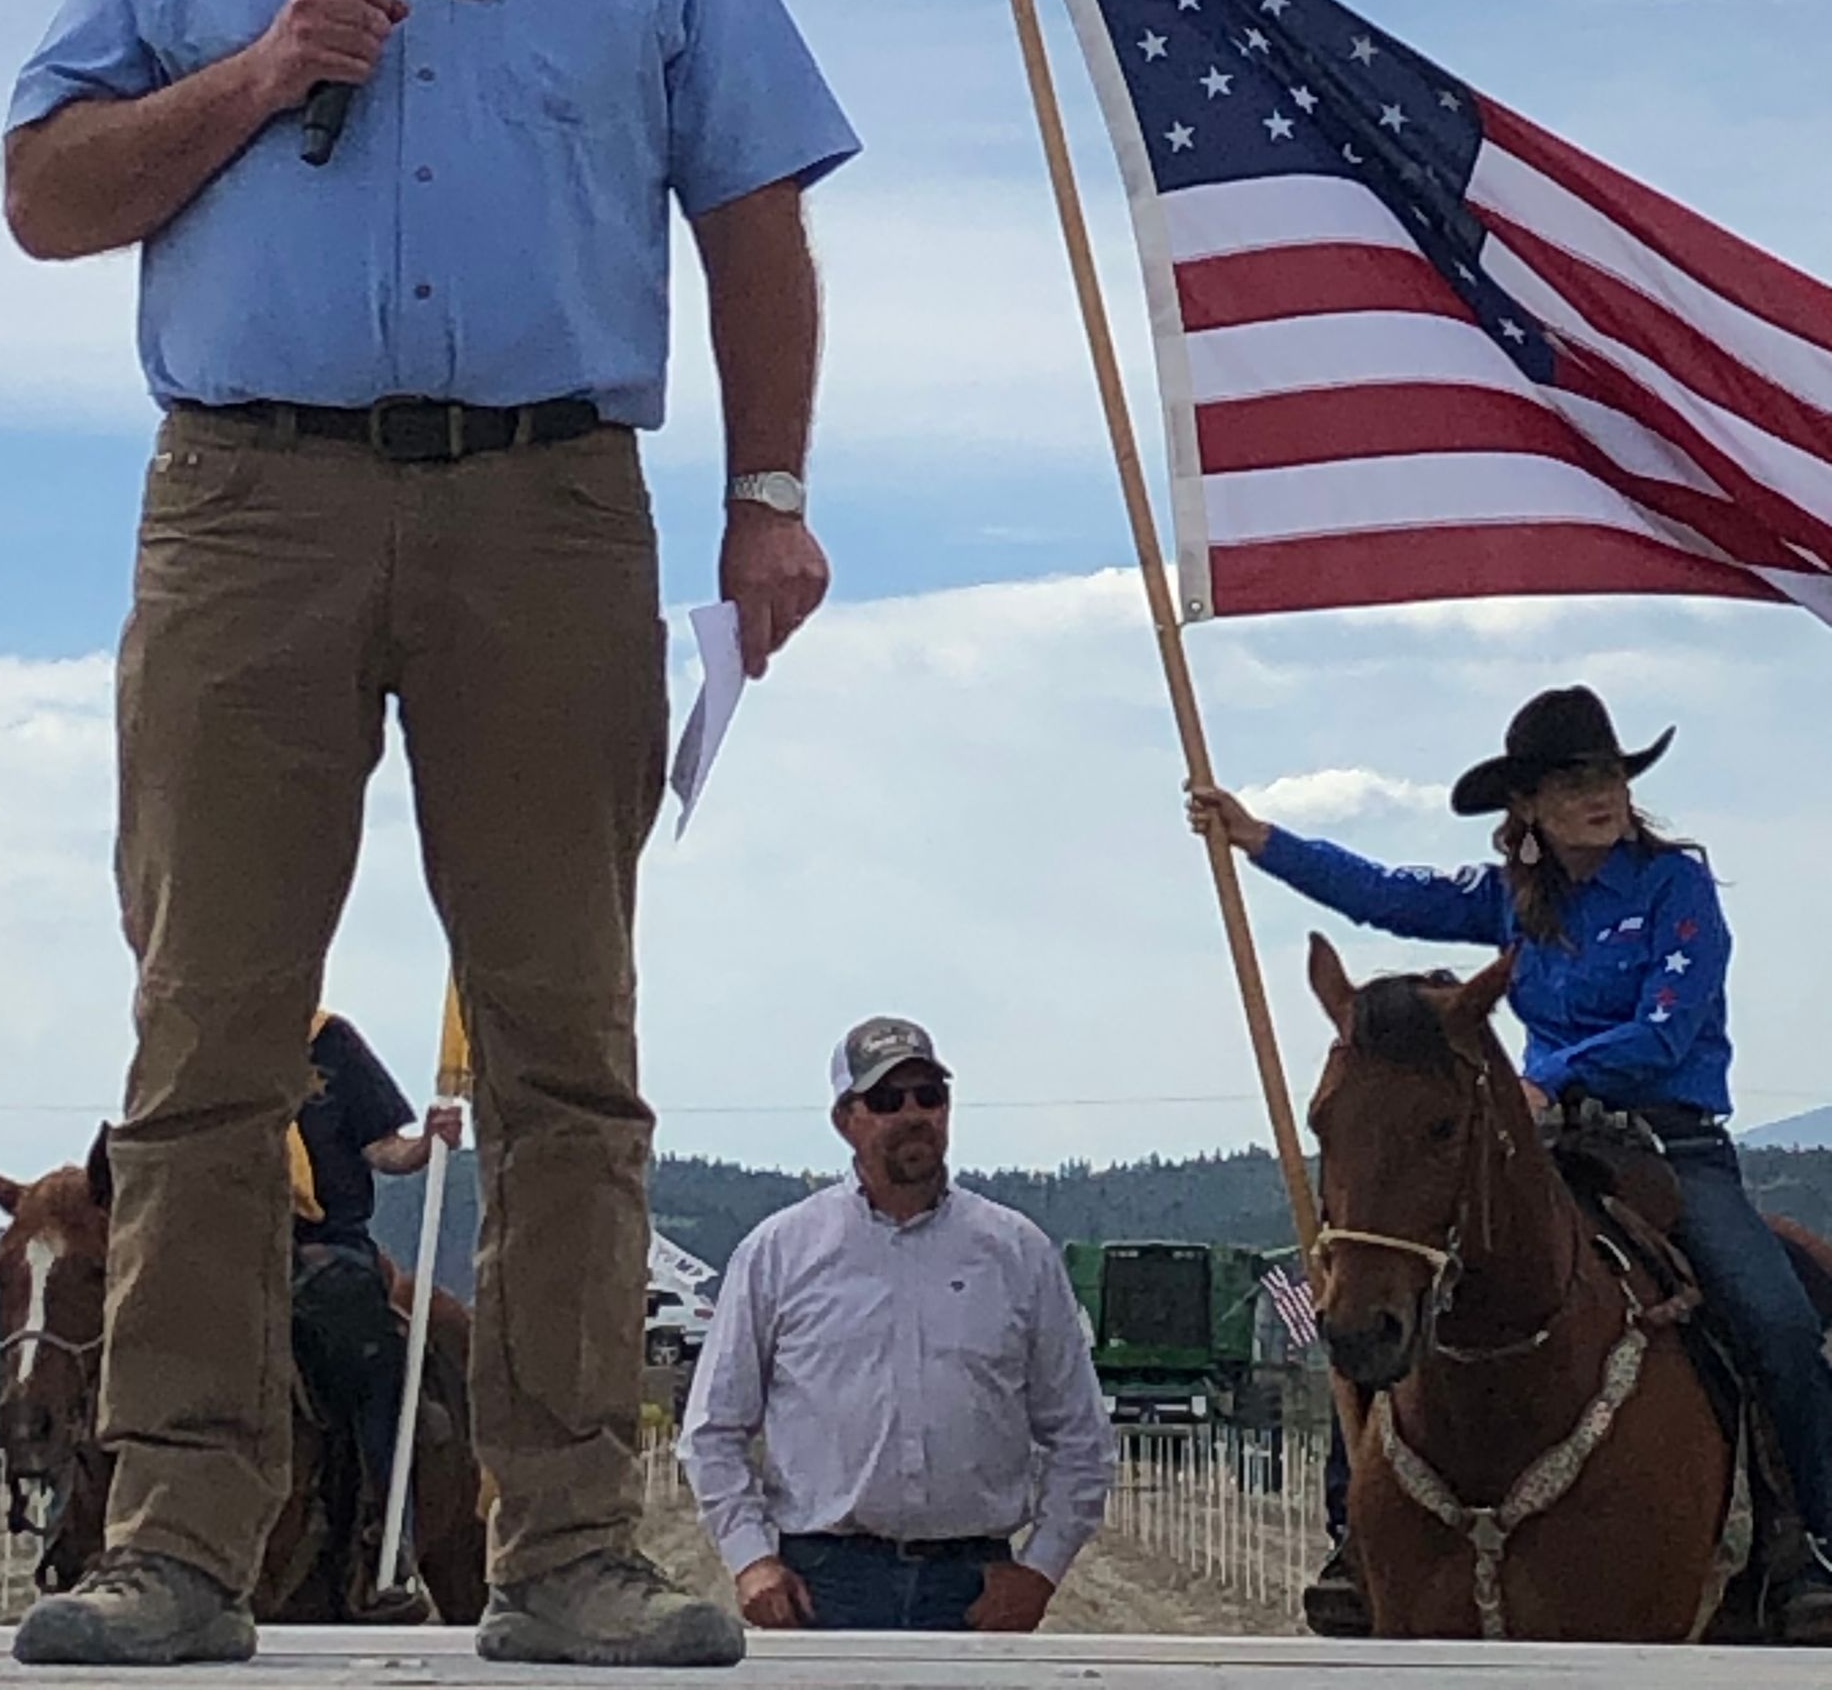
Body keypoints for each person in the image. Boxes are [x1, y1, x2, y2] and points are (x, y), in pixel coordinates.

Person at [2, 0, 858, 1669]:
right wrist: (255, 67)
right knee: (206, 1046)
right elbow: (43, 188)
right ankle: (179, 1538)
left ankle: (570, 1541)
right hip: (245, 502)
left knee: (566, 1047)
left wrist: (770, 495)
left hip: (551, 504)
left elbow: (754, 209)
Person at [1190, 683, 1832, 1648]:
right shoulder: (1510, 901)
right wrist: (1261, 839)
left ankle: (1803, 1541)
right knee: (1389, 1283)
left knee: (1775, 1313)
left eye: (1609, 773)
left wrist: (1553, 1077)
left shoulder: (1675, 887)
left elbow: (1670, 1025)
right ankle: (1353, 1536)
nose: (1598, 793)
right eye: (1572, 780)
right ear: (1525, 807)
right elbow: (1385, 894)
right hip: (1538, 1146)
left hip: (1670, 1141)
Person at [679, 1017, 1115, 1632]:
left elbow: (1082, 1438)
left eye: (929, 1096)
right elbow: (712, 1430)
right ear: (845, 1120)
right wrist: (751, 1560)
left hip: (974, 1589)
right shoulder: (779, 1253)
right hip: (825, 1588)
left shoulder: (1018, 1253)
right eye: (887, 1100)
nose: (914, 1114)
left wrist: (1041, 1570)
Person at [286, 1012, 460, 1620]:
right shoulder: (207, 1033)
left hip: (326, 1248)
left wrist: (424, 1145)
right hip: (227, 1249)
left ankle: (386, 1537)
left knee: (374, 1362)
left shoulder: (329, 1043)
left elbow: (382, 1146)